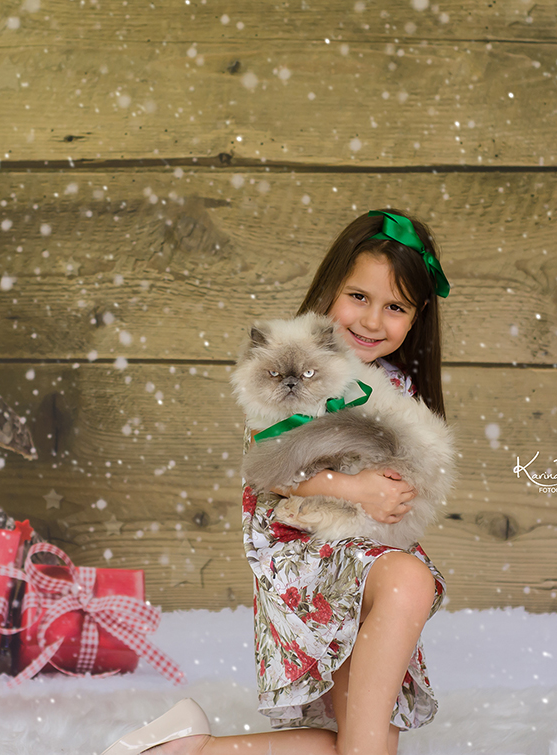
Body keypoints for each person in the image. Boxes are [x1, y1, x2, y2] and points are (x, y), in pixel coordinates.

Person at [102, 210, 452, 755]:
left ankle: (185, 749)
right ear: (330, 288)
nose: (372, 321)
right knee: (409, 581)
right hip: (309, 552)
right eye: (358, 296)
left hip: (364, 546)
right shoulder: (302, 364)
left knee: (368, 743)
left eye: (395, 307)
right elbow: (277, 467)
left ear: (417, 315)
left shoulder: (391, 383)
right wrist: (358, 489)